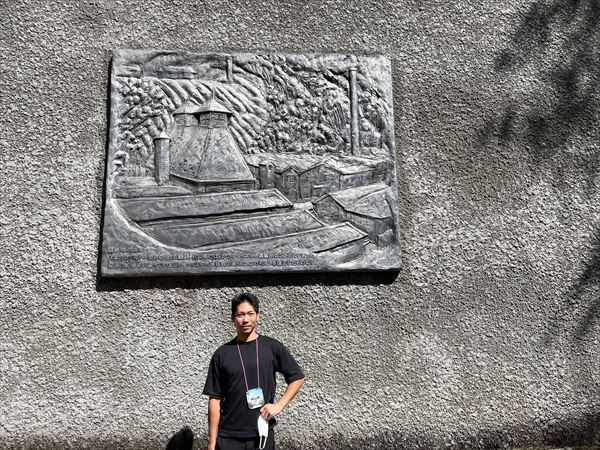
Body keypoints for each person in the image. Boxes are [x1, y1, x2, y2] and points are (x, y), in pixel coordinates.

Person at [203, 292, 305, 450]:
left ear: (258, 316)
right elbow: (214, 399)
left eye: (250, 314)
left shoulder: (272, 347)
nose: (245, 320)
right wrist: (211, 442)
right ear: (232, 318)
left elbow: (297, 378)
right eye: (240, 314)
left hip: (262, 431)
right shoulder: (221, 354)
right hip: (229, 435)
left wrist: (278, 406)